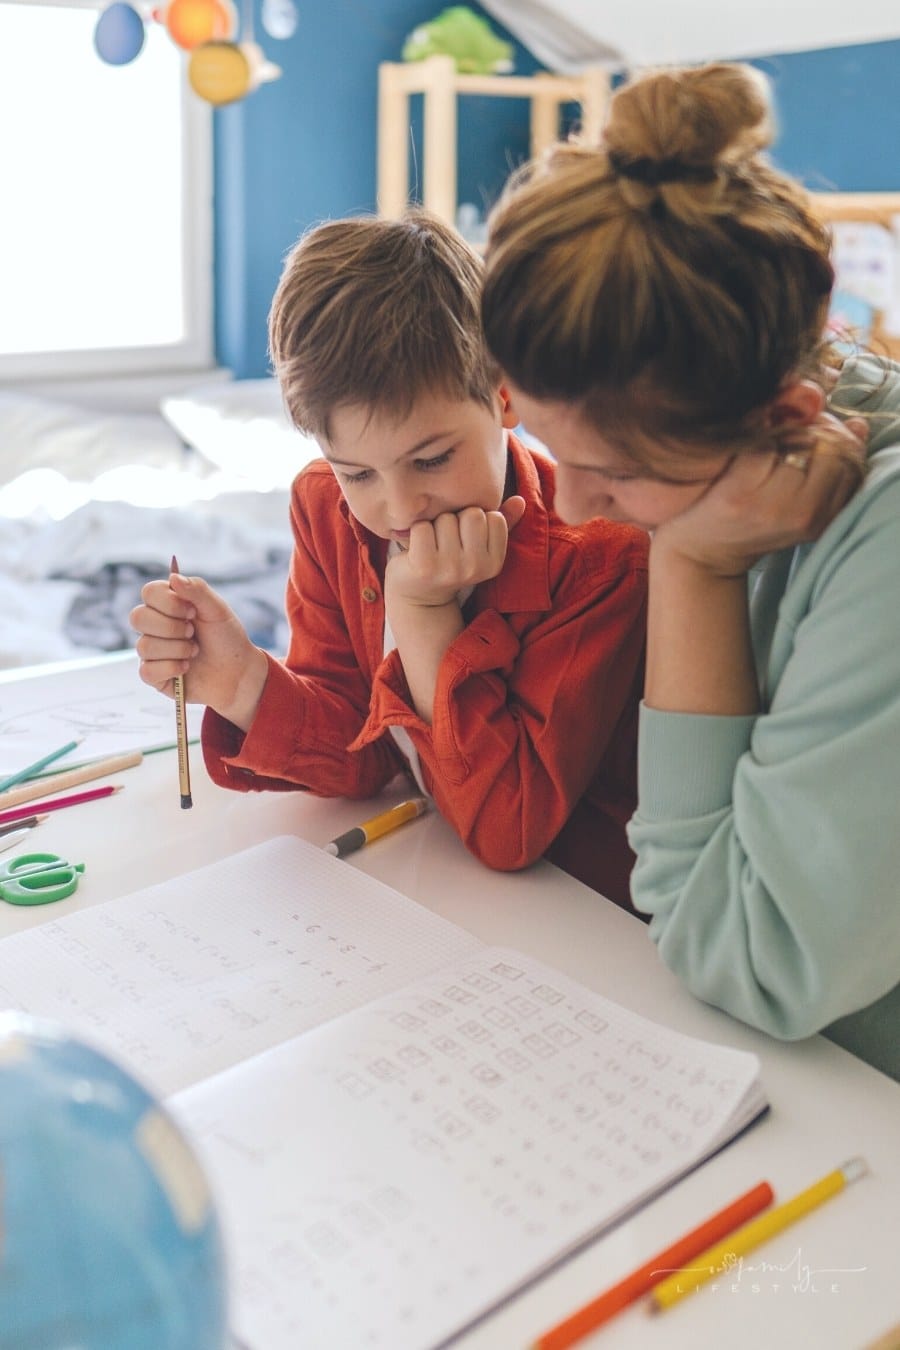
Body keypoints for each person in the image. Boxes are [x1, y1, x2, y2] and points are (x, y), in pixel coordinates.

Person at [480, 61, 900, 1079]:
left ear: (788, 417)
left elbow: (751, 960)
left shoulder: (874, 542)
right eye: (543, 446)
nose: (571, 507)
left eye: (615, 474)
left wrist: (696, 566)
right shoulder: (731, 443)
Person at [131, 211, 648, 903]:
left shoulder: (602, 562)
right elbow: (362, 749)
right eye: (358, 472)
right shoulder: (326, 508)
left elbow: (508, 832)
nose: (401, 510)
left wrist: (424, 614)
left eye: (431, 459)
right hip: (435, 893)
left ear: (504, 392)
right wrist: (242, 681)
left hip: (583, 925)